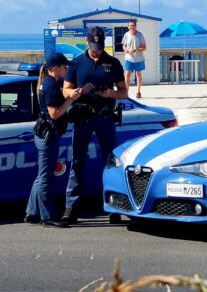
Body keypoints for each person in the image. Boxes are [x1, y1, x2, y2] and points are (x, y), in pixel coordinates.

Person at [61, 26, 128, 224]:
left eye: (99, 47)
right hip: (83, 118)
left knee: (110, 162)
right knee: (77, 162)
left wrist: (110, 94)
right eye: (93, 46)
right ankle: (71, 208)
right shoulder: (76, 63)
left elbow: (123, 92)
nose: (97, 50)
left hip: (105, 118)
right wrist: (79, 91)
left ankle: (114, 206)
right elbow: (66, 91)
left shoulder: (113, 62)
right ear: (87, 43)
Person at [25, 52, 82, 228]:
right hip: (48, 135)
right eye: (64, 66)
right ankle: (47, 215)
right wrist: (71, 99)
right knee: (45, 178)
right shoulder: (50, 85)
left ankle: (32, 212)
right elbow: (54, 113)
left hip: (43, 133)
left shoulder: (48, 83)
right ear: (55, 68)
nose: (67, 69)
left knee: (41, 176)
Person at [122, 19, 147, 98]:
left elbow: (144, 47)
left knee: (139, 74)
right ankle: (126, 93)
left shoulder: (140, 35)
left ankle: (138, 92)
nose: (132, 27)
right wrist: (126, 49)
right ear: (128, 26)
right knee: (127, 74)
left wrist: (136, 50)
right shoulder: (126, 35)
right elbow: (124, 45)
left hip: (139, 59)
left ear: (136, 26)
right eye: (130, 26)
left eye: (133, 25)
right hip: (129, 58)